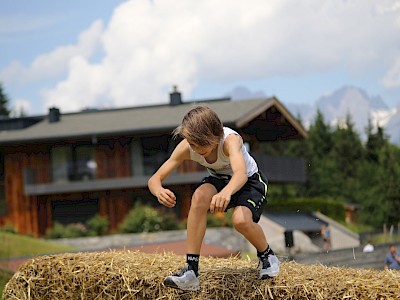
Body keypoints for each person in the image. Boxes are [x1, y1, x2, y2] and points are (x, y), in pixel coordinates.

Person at [148, 105, 280, 291]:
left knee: (240, 221)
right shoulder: (187, 146)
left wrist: (226, 192)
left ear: (215, 136)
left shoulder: (230, 140)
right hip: (219, 180)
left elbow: (240, 174)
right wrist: (159, 190)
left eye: (201, 144)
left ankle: (267, 255)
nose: (196, 149)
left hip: (249, 181)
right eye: (192, 144)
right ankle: (191, 271)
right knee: (199, 196)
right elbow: (154, 179)